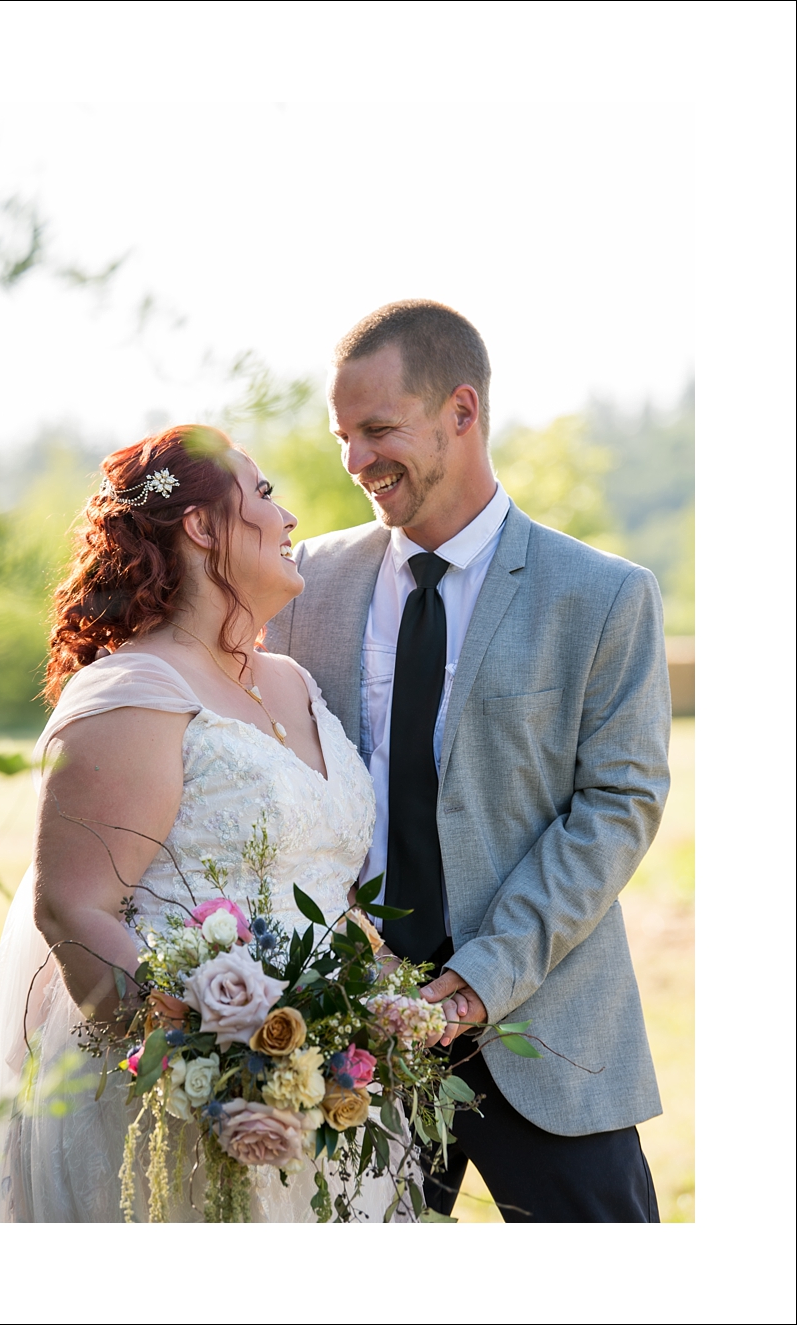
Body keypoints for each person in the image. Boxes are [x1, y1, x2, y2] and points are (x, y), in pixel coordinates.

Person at [265, 299, 667, 1221]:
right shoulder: (302, 587)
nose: (356, 461)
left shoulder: (601, 597)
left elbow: (618, 806)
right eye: (342, 437)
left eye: (378, 430)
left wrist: (483, 979)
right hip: (343, 1038)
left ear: (462, 410)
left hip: (547, 1023)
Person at [0, 424, 413, 1222]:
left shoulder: (293, 679)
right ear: (201, 526)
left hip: (326, 1092)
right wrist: (224, 1051)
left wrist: (337, 1038)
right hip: (179, 1106)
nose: (290, 518)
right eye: (264, 495)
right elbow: (71, 906)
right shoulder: (132, 693)